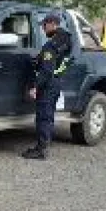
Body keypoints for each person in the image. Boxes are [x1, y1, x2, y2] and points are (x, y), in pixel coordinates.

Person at [22, 12, 73, 160]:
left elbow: (46, 70)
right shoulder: (65, 42)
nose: (43, 29)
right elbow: (60, 64)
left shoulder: (51, 46)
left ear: (52, 24)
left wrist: (35, 87)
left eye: (44, 25)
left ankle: (41, 150)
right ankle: (43, 146)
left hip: (48, 85)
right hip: (57, 82)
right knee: (48, 116)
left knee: (44, 117)